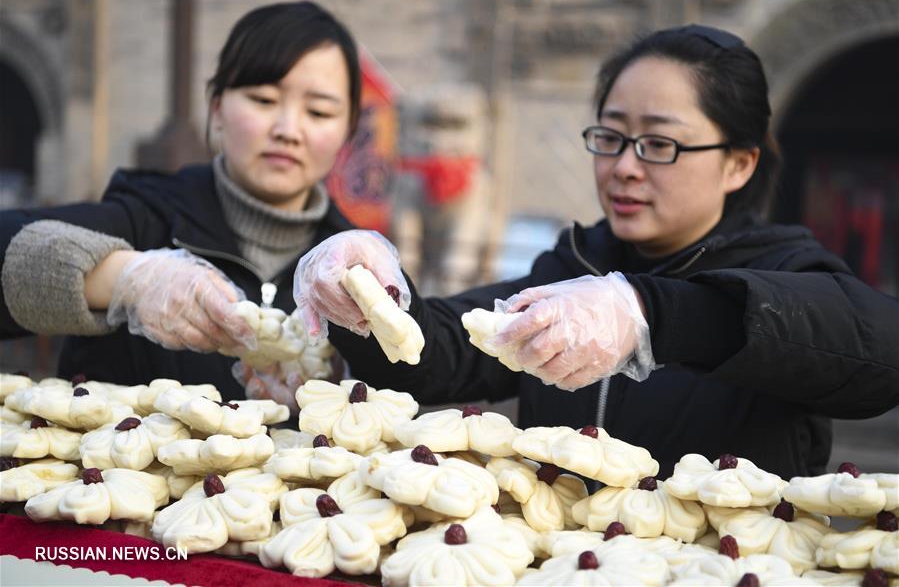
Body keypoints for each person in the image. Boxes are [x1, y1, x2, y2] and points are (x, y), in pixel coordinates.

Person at [293, 24, 899, 480]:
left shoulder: (785, 268)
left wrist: (651, 313)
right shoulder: (572, 268)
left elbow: (875, 351)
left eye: (659, 143)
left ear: (738, 163)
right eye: (610, 137)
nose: (625, 168)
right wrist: (369, 293)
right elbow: (442, 350)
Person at [0, 1, 360, 405]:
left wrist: (340, 383)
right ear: (217, 108)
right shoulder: (144, 217)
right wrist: (125, 279)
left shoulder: (358, 272)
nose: (287, 130)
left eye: (318, 111)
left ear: (348, 129)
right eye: (262, 100)